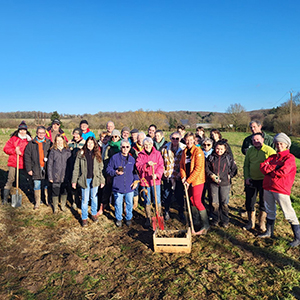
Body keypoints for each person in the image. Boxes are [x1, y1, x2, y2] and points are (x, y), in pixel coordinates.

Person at [259, 133, 300, 247]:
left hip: (280, 189)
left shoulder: (290, 158)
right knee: (270, 210)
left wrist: (270, 169)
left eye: (281, 143)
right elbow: (262, 167)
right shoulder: (272, 157)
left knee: (288, 213)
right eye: (277, 143)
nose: (279, 145)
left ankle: (298, 237)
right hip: (268, 187)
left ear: (287, 144)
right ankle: (269, 232)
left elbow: (283, 172)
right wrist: (274, 167)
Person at [243, 133, 276, 231]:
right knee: (249, 201)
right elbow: (246, 165)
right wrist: (247, 177)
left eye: (258, 139)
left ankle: (262, 223)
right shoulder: (250, 151)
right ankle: (251, 222)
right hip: (252, 180)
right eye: (253, 140)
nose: (255, 142)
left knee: (263, 202)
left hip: (264, 181)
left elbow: (274, 166)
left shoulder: (270, 151)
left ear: (263, 139)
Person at [180, 132, 210, 235]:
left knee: (197, 201)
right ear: (184, 140)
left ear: (194, 140)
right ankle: (195, 221)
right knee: (191, 200)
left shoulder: (198, 152)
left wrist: (188, 181)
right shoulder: (184, 152)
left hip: (197, 181)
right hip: (187, 181)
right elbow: (181, 166)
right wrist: (183, 177)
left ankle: (206, 225)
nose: (189, 142)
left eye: (191, 140)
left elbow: (198, 169)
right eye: (187, 140)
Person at [72, 137, 105, 227]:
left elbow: (100, 168)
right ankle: (84, 217)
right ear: (86, 143)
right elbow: (76, 168)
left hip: (95, 179)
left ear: (94, 144)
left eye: (92, 143)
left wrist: (102, 180)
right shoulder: (81, 154)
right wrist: (74, 181)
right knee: (85, 199)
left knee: (94, 198)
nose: (90, 145)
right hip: (84, 180)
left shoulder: (97, 154)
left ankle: (93, 214)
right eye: (88, 143)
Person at [106, 140, 139, 227]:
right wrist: (115, 172)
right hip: (118, 186)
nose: (125, 149)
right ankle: (119, 218)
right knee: (118, 203)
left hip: (129, 186)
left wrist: (136, 182)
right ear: (120, 148)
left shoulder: (132, 159)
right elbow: (108, 170)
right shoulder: (114, 158)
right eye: (123, 147)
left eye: (127, 147)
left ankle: (128, 218)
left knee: (129, 203)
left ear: (129, 148)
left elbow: (135, 173)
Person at [205, 140, 237, 227]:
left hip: (225, 184)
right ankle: (215, 219)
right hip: (213, 183)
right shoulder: (211, 158)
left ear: (225, 149)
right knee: (214, 202)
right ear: (214, 148)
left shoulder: (228, 158)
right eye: (217, 149)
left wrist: (230, 176)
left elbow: (234, 169)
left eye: (221, 149)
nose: (219, 151)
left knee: (224, 203)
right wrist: (211, 175)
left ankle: (225, 220)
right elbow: (206, 168)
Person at [136, 137, 164, 228]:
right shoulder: (140, 155)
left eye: (149, 144)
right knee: (147, 200)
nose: (147, 146)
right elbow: (138, 166)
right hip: (145, 181)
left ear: (152, 145)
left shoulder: (157, 154)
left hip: (155, 181)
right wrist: (146, 165)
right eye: (145, 145)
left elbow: (161, 166)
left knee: (157, 200)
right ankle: (148, 218)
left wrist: (157, 175)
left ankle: (159, 217)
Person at [2, 121, 32, 204]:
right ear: (18, 130)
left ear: (26, 131)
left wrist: (21, 153)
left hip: (25, 163)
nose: (22, 132)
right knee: (10, 179)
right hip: (13, 162)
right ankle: (4, 199)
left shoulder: (29, 140)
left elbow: (31, 151)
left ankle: (33, 195)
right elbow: (5, 149)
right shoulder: (13, 139)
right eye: (21, 130)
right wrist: (14, 151)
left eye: (24, 130)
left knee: (30, 178)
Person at [24, 126, 51, 209]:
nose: (41, 134)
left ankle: (47, 201)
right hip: (35, 168)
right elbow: (27, 157)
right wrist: (29, 169)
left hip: (47, 168)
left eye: (43, 133)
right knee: (37, 185)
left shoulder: (49, 143)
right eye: (39, 133)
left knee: (46, 185)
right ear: (36, 133)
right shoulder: (31, 144)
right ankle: (37, 202)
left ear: (45, 133)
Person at [161, 132, 186, 222]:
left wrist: (182, 173)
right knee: (167, 195)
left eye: (177, 138)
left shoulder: (183, 148)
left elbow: (185, 163)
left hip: (179, 176)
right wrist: (163, 170)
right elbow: (161, 160)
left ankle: (181, 212)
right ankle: (167, 211)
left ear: (180, 139)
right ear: (170, 138)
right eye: (173, 138)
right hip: (167, 175)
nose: (175, 140)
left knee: (179, 195)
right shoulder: (165, 148)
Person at [99, 129, 122, 214]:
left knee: (118, 192)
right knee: (107, 189)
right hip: (110, 171)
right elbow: (105, 160)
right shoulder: (108, 147)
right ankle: (103, 207)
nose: (114, 138)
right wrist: (108, 173)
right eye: (112, 136)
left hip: (119, 172)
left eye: (116, 136)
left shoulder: (122, 146)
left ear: (119, 137)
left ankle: (118, 209)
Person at [48, 135, 71, 213]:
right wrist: (50, 176)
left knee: (64, 191)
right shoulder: (53, 151)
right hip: (56, 175)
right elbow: (50, 164)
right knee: (55, 191)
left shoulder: (67, 150)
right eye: (57, 141)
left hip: (65, 175)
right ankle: (55, 207)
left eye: (61, 140)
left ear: (64, 141)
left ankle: (63, 205)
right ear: (55, 142)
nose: (59, 142)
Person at [67, 128, 86, 209]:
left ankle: (82, 201)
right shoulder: (70, 143)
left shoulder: (84, 143)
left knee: (81, 184)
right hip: (71, 166)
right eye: (74, 133)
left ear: (80, 134)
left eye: (77, 134)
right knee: (73, 183)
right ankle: (74, 201)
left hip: (81, 166)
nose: (75, 135)